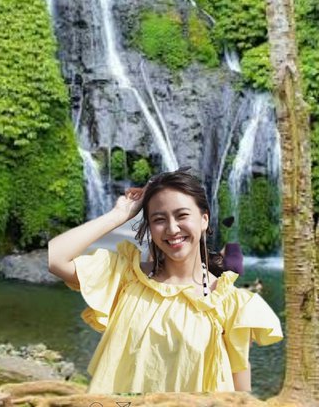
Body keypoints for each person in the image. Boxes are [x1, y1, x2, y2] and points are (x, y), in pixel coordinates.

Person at [48, 167, 283, 394]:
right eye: (159, 219)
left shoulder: (230, 304)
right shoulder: (125, 278)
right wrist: (119, 215)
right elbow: (55, 258)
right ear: (150, 227)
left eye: (182, 215)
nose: (172, 229)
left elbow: (239, 384)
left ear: (204, 220)